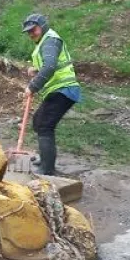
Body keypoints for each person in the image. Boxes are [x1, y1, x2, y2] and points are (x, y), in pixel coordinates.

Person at [21, 13, 82, 176]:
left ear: (42, 26)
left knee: (45, 126)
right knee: (38, 121)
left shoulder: (50, 41)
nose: (31, 34)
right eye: (28, 32)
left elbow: (50, 67)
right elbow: (50, 64)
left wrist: (33, 86)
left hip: (64, 89)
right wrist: (36, 69)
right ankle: (45, 159)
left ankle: (47, 169)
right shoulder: (45, 42)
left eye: (33, 30)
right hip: (59, 89)